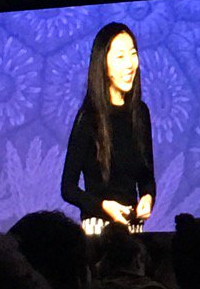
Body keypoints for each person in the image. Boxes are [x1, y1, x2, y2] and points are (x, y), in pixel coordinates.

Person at [61, 22, 156, 236]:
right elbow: (68, 188)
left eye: (133, 54)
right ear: (103, 63)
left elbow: (147, 177)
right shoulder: (89, 118)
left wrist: (148, 197)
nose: (129, 64)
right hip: (98, 231)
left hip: (132, 230)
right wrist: (104, 206)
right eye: (120, 56)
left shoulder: (140, 113)